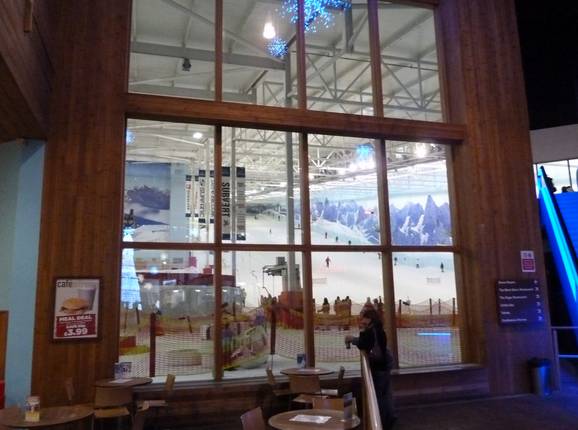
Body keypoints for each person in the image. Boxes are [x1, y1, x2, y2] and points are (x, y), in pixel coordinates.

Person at [345, 309, 395, 429]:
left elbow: (364, 343)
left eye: (363, 318)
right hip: (384, 366)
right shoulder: (379, 329)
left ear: (369, 319)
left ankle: (381, 421)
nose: (361, 320)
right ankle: (389, 418)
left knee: (378, 396)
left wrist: (353, 338)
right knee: (386, 394)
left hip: (378, 367)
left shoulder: (371, 331)